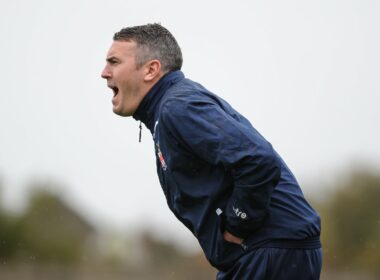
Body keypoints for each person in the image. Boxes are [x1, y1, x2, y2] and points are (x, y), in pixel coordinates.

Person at [101, 23, 322, 279]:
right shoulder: (169, 108)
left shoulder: (177, 107)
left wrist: (237, 226)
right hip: (265, 252)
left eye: (114, 62)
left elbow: (259, 161)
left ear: (151, 70)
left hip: (269, 251)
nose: (104, 73)